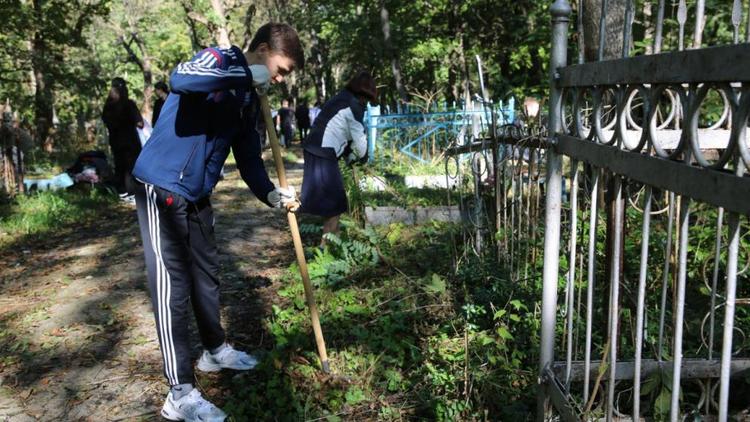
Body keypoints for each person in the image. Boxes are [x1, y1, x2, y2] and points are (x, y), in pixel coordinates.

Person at [131, 22, 304, 422]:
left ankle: (215, 350)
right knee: (172, 288)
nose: (279, 80)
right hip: (160, 185)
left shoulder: (248, 99)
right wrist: (245, 73)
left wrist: (269, 193)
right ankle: (179, 392)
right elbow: (181, 80)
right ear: (262, 50)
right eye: (281, 69)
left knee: (207, 273)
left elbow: (247, 155)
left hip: (195, 192)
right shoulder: (219, 60)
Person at [300, 71, 376, 240]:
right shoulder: (353, 105)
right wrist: (361, 159)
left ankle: (334, 241)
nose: (366, 103)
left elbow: (342, 133)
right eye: (366, 98)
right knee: (335, 203)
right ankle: (326, 247)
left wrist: (349, 155)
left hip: (317, 149)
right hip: (322, 152)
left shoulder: (343, 98)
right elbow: (361, 143)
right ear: (361, 94)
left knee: (333, 202)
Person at [102, 77, 143, 199]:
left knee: (119, 165)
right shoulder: (129, 104)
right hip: (130, 141)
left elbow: (105, 121)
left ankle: (121, 191)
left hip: (115, 141)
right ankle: (132, 192)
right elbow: (140, 124)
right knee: (132, 167)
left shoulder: (108, 107)